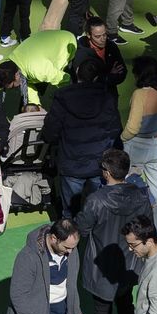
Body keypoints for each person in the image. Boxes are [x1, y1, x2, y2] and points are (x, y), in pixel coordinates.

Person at [76, 150, 151, 314]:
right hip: (130, 262)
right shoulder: (141, 196)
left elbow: (82, 227)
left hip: (102, 263)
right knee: (126, 304)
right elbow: (148, 226)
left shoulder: (96, 200)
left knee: (102, 308)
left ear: (107, 173)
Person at [42, 55, 123, 216]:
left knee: (70, 212)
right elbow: (115, 130)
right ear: (97, 76)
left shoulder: (63, 96)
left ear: (77, 72)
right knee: (96, 209)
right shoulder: (107, 96)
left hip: (72, 163)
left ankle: (69, 240)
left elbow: (51, 131)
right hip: (98, 163)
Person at [120, 56, 157, 237]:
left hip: (136, 146)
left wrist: (123, 139)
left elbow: (132, 127)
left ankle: (131, 232)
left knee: (129, 188)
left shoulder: (140, 94)